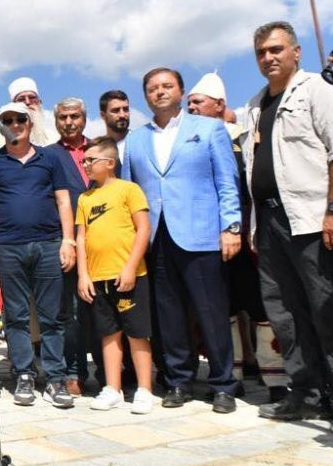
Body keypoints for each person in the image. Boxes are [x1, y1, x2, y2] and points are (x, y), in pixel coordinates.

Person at [123, 67, 241, 414]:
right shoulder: (136, 139)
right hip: (156, 237)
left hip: (200, 233)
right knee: (168, 314)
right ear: (145, 95)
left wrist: (231, 226)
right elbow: (131, 193)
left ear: (180, 90)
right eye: (152, 88)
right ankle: (178, 380)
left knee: (211, 311)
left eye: (166, 86)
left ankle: (223, 384)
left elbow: (226, 181)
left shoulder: (208, 129)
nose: (159, 92)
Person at [243, 21, 333, 421]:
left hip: (311, 218)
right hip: (268, 220)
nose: (269, 58)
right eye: (262, 52)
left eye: (276, 49)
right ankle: (305, 392)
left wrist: (332, 210)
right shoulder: (255, 104)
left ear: (296, 52)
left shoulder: (316, 90)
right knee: (285, 311)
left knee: (324, 307)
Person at [187, 72, 287, 400]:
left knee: (260, 307)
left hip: (247, 235)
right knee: (224, 309)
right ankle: (233, 375)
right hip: (208, 238)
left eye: (197, 102)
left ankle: (274, 379)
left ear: (219, 105)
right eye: (189, 102)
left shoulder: (244, 136)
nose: (192, 107)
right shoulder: (188, 140)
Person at [0, 102, 76, 409]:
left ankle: (56, 377)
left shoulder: (50, 158)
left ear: (30, 123)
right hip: (8, 247)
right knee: (16, 317)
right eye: (8, 120)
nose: (15, 124)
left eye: (21, 119)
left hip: (48, 244)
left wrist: (68, 240)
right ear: (1, 125)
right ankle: (24, 374)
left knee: (52, 316)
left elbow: (63, 201)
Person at [75, 137, 155, 414]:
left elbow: (143, 229)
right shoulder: (85, 198)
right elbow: (81, 238)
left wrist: (131, 267)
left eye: (90, 160)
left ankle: (145, 389)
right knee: (108, 335)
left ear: (110, 163)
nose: (85, 164)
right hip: (98, 279)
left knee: (137, 334)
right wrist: (83, 275)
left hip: (129, 276)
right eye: (84, 160)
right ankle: (113, 388)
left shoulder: (129, 190)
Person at [47, 97, 93, 397]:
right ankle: (73, 372)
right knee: (69, 310)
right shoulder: (49, 155)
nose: (69, 122)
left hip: (104, 237)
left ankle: (115, 369)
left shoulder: (99, 149)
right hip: (67, 238)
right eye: (63, 117)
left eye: (74, 116)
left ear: (85, 118)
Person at [7, 77, 58, 146]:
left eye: (32, 97)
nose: (27, 102)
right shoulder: (7, 138)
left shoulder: (55, 134)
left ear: (40, 102)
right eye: (21, 99)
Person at [99, 90, 131, 160]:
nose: (122, 115)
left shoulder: (141, 143)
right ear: (103, 115)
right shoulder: (98, 150)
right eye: (116, 110)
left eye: (126, 109)